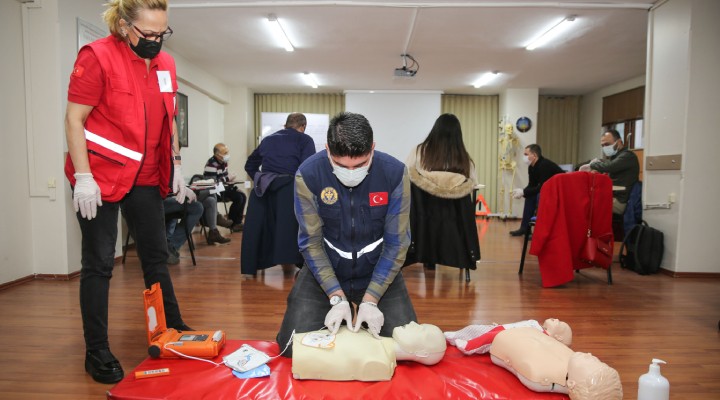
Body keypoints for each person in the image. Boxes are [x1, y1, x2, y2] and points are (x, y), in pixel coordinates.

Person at [63, 0, 190, 384]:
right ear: (122, 25)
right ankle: (96, 350)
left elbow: (169, 117)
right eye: (147, 33)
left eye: (161, 33)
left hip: (147, 177)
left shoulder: (166, 65)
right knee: (100, 263)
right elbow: (74, 118)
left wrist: (177, 161)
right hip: (100, 177)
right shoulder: (97, 56)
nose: (155, 41)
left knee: (155, 258)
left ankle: (172, 328)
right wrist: (83, 177)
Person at [276, 112, 417, 357]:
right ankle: (342, 321)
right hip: (325, 268)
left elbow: (397, 243)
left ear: (372, 148)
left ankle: (358, 320)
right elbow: (311, 242)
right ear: (327, 149)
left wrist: (372, 299)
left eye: (361, 164)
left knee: (406, 347)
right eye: (341, 165)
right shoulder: (308, 174)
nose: (351, 173)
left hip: (378, 269)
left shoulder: (395, 173)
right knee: (290, 347)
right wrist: (336, 296)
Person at [403, 113, 480, 273]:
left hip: (423, 219)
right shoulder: (465, 159)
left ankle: (427, 256)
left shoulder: (419, 151)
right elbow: (473, 184)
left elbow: (407, 175)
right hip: (452, 223)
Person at [241, 113, 315, 275]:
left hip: (265, 189)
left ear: (285, 125)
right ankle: (297, 263)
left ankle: (252, 266)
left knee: (263, 226)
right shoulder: (304, 140)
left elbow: (250, 164)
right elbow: (307, 167)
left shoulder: (268, 139)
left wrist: (259, 178)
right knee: (294, 226)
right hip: (289, 189)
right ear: (303, 127)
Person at [489, 327, 623, 399]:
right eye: (598, 360)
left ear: (571, 383)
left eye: (590, 362)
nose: (590, 355)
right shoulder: (572, 361)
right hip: (526, 330)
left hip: (502, 335)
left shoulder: (539, 376)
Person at [292, 322, 446, 381]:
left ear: (422, 353)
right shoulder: (379, 345)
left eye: (422, 330)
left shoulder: (379, 363)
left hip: (303, 355)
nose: (413, 323)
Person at [579, 129, 640, 215]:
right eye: (602, 145)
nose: (604, 148)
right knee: (581, 199)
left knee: (583, 204)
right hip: (611, 196)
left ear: (618, 142)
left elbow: (610, 166)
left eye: (607, 144)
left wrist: (591, 166)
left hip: (619, 201)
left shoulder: (628, 156)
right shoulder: (615, 157)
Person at [509, 144, 565, 237]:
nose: (524, 157)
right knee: (530, 196)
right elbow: (532, 185)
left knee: (538, 195)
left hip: (560, 191)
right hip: (548, 189)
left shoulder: (544, 165)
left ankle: (540, 231)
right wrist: (523, 192)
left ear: (534, 155)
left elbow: (542, 187)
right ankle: (525, 229)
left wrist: (524, 192)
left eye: (526, 154)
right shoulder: (531, 166)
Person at [444, 318, 572, 356]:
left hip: (506, 335)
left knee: (487, 338)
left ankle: (469, 347)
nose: (557, 319)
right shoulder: (537, 325)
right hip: (503, 328)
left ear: (558, 337)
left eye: (559, 322)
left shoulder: (543, 337)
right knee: (475, 328)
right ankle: (456, 336)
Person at [203, 143, 246, 232]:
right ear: (217, 154)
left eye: (227, 152)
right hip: (215, 191)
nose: (227, 154)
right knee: (238, 198)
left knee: (243, 195)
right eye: (225, 153)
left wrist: (233, 185)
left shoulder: (224, 162)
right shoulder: (211, 164)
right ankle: (233, 223)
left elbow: (225, 179)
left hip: (223, 188)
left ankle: (237, 222)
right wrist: (227, 178)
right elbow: (213, 183)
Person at [163, 189, 203, 265]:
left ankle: (171, 246)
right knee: (197, 207)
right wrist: (182, 189)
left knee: (201, 204)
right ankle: (170, 246)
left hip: (166, 197)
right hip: (154, 201)